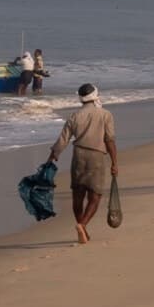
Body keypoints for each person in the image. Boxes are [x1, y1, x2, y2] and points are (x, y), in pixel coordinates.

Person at [46, 83, 117, 245]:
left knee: (78, 195)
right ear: (95, 96)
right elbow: (110, 140)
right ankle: (82, 225)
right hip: (96, 155)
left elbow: (62, 140)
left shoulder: (75, 116)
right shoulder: (105, 114)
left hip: (78, 155)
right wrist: (114, 162)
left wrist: (52, 157)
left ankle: (82, 230)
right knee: (95, 195)